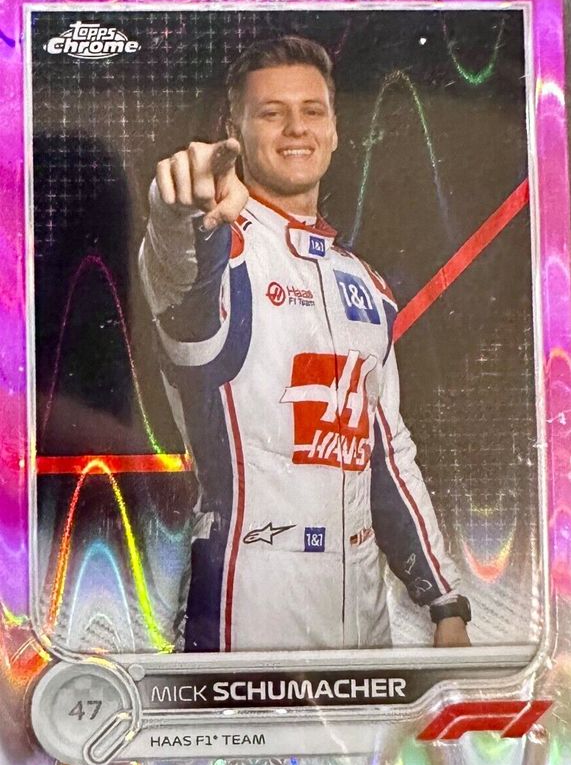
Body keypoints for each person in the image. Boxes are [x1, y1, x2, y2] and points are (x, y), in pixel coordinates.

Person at [139, 36, 471, 653]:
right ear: (233, 130)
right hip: (248, 607)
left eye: (312, 110)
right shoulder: (224, 248)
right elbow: (181, 278)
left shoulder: (366, 284)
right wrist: (177, 212)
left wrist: (444, 600)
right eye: (272, 113)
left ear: (335, 129)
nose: (296, 128)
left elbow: (386, 454)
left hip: (364, 616)